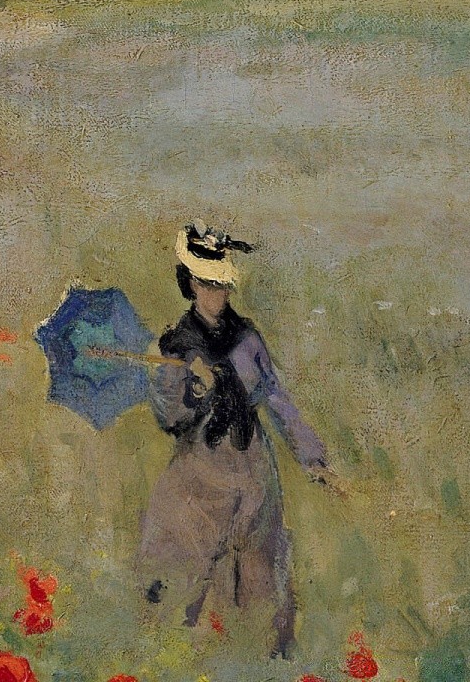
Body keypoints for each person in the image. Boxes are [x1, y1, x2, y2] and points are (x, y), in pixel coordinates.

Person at [137, 223, 332, 659]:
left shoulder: (247, 338)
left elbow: (276, 397)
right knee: (186, 584)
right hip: (201, 480)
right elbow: (168, 418)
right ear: (191, 285)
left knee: (262, 585)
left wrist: (312, 457)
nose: (217, 294)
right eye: (208, 285)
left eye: (222, 285)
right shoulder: (175, 345)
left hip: (253, 474)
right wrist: (195, 391)